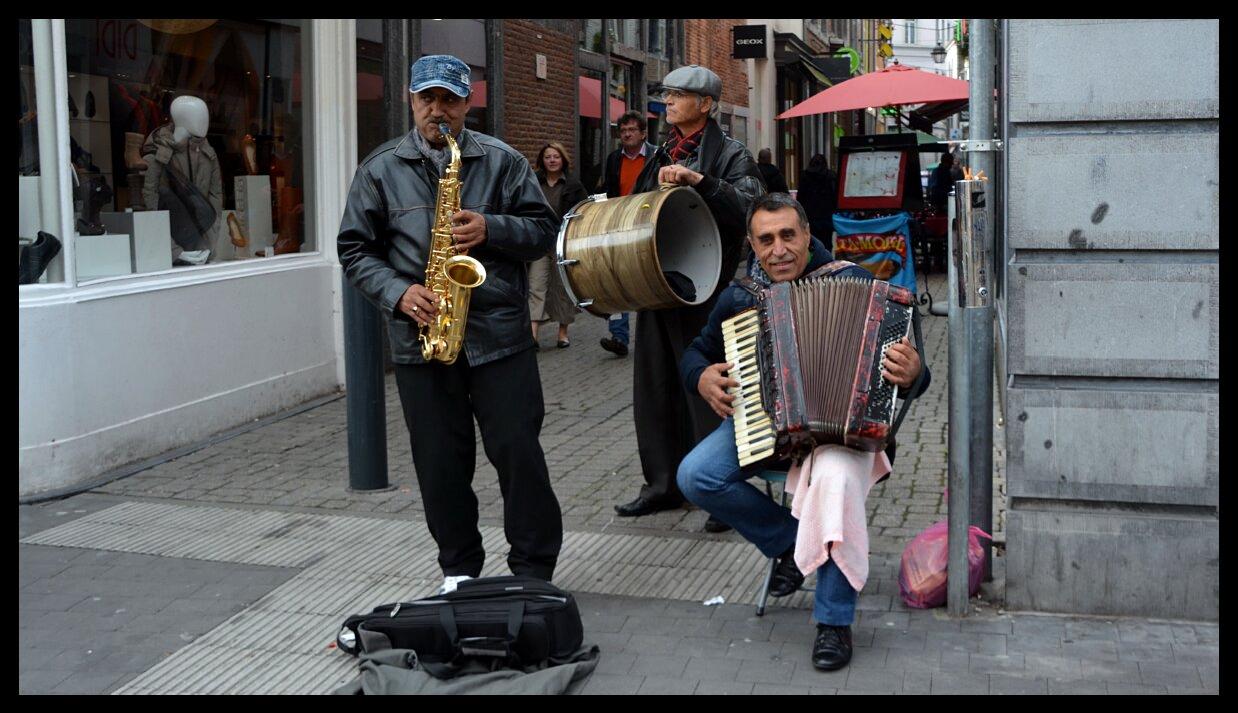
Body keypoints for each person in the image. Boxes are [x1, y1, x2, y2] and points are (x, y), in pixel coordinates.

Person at [337, 55, 563, 594]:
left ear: (468, 103)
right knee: (439, 466)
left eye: (450, 101)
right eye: (427, 100)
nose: (438, 111)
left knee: (519, 455)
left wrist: (492, 227)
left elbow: (543, 231)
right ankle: (459, 571)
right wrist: (397, 292)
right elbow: (353, 248)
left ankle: (533, 574)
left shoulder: (504, 161)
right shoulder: (380, 168)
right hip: (423, 340)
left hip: (499, 337)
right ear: (410, 100)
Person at [677, 192, 929, 671]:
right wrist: (702, 377)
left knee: (833, 483)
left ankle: (833, 622)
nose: (779, 250)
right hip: (766, 425)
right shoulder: (739, 296)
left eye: (788, 235)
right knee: (696, 475)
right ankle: (792, 547)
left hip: (847, 428)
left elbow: (916, 377)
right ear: (752, 245)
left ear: (808, 235)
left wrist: (914, 372)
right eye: (766, 240)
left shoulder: (857, 285)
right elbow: (695, 352)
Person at [612, 64, 765, 533]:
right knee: (655, 386)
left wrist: (701, 183)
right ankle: (662, 486)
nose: (668, 102)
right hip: (658, 280)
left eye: (679, 95)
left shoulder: (732, 154)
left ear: (707, 105)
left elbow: (751, 206)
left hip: (709, 286)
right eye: (667, 94)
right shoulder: (658, 153)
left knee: (710, 390)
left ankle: (718, 491)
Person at [597, 110, 657, 358]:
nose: (627, 135)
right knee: (615, 278)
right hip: (619, 225)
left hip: (647, 225)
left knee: (647, 278)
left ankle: (652, 337)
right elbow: (608, 191)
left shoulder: (656, 157)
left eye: (632, 130)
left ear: (643, 133)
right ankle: (619, 336)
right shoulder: (613, 159)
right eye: (623, 131)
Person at [528, 142, 588, 348]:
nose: (552, 160)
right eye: (548, 157)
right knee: (536, 285)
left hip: (563, 242)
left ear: (563, 159)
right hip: (540, 241)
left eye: (556, 156)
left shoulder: (573, 185)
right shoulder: (533, 182)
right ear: (541, 161)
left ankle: (563, 332)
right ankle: (533, 334)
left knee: (562, 287)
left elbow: (583, 212)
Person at [797, 153, 837, 241]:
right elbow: (835, 196)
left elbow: (800, 197)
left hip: (810, 216)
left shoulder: (805, 176)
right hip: (826, 215)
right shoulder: (831, 176)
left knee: (811, 241)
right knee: (826, 242)